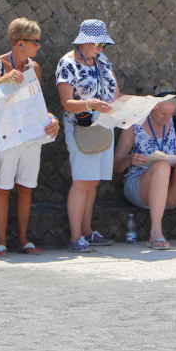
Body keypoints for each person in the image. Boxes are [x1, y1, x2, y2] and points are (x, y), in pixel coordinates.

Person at [0, 18, 60, 257]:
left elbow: (37, 104)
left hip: (32, 134)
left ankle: (23, 240)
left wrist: (52, 119)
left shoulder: (34, 67)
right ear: (20, 43)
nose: (40, 46)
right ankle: (1, 242)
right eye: (36, 41)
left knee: (26, 188)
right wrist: (2, 80)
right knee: (3, 187)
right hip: (7, 134)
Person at [113, 93, 176, 250]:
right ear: (153, 108)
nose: (166, 118)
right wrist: (129, 159)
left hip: (169, 187)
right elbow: (115, 166)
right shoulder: (134, 124)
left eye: (170, 114)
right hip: (140, 185)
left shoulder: (175, 123)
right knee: (161, 166)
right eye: (163, 113)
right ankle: (156, 232)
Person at [56, 19, 119, 253]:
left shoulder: (102, 60)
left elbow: (115, 90)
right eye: (98, 44)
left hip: (104, 126)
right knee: (82, 181)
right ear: (84, 42)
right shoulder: (67, 64)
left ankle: (86, 231)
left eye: (104, 45)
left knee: (93, 182)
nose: (101, 49)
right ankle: (75, 237)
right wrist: (89, 103)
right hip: (81, 127)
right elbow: (66, 103)